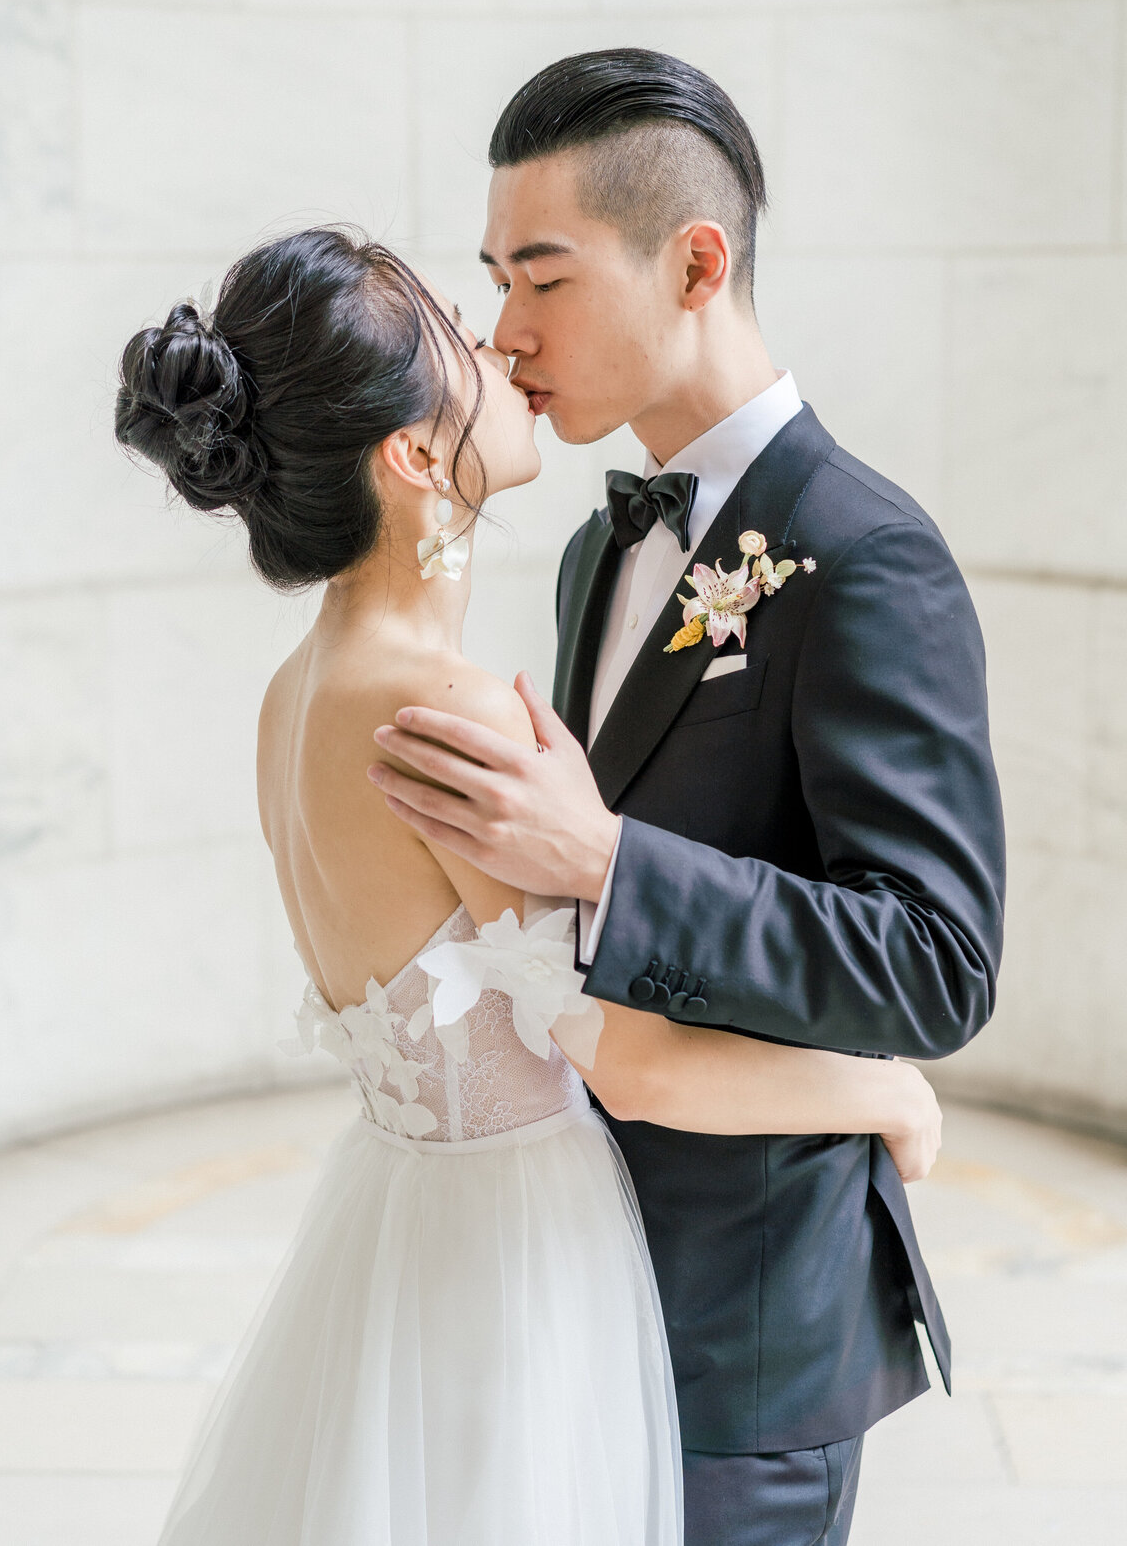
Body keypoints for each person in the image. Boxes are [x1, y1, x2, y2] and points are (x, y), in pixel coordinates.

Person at [115, 226, 944, 1546]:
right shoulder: (442, 712)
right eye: (458, 324)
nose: (499, 343)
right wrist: (883, 1086)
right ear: (406, 452)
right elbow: (632, 1064)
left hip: (397, 1241)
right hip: (510, 1273)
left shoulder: (300, 694)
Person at [370, 49, 1007, 1546]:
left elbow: (938, 961)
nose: (503, 332)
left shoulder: (867, 556)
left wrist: (608, 858)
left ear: (695, 262)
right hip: (578, 1283)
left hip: (755, 1334)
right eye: (493, 280)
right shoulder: (599, 555)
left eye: (544, 279)